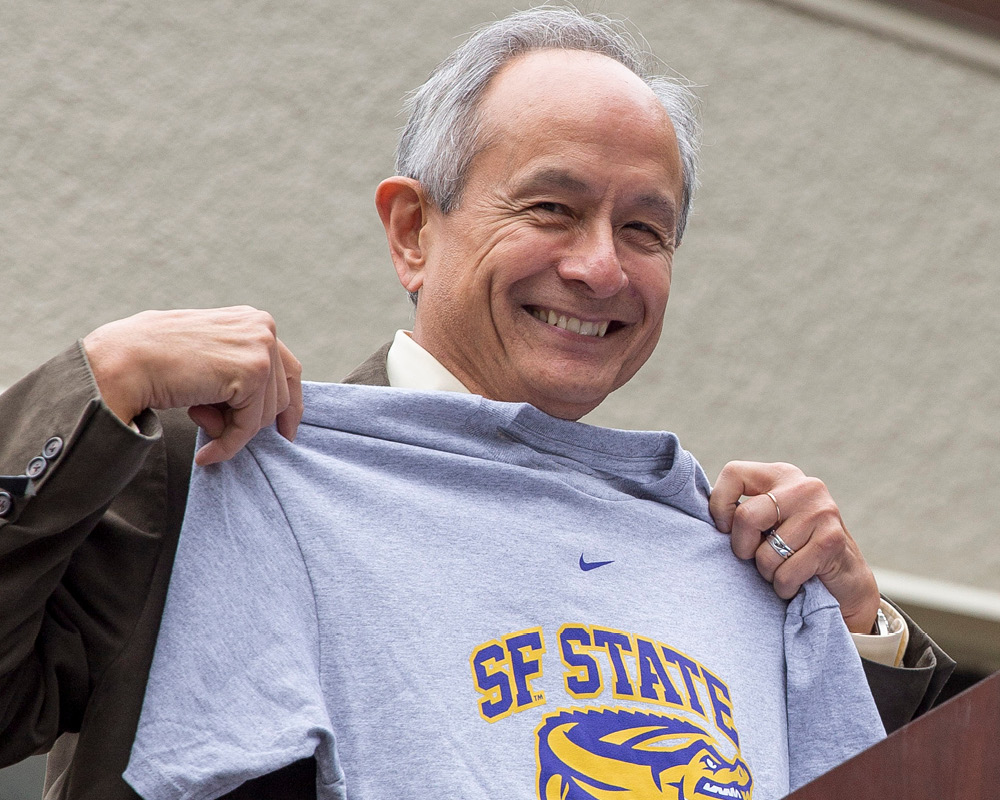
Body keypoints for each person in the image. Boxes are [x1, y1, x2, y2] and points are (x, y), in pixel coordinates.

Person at [0, 7, 952, 800]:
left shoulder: (718, 553)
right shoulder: (220, 475)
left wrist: (857, 627)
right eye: (551, 209)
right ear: (413, 232)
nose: (599, 267)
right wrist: (103, 376)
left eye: (644, 229)